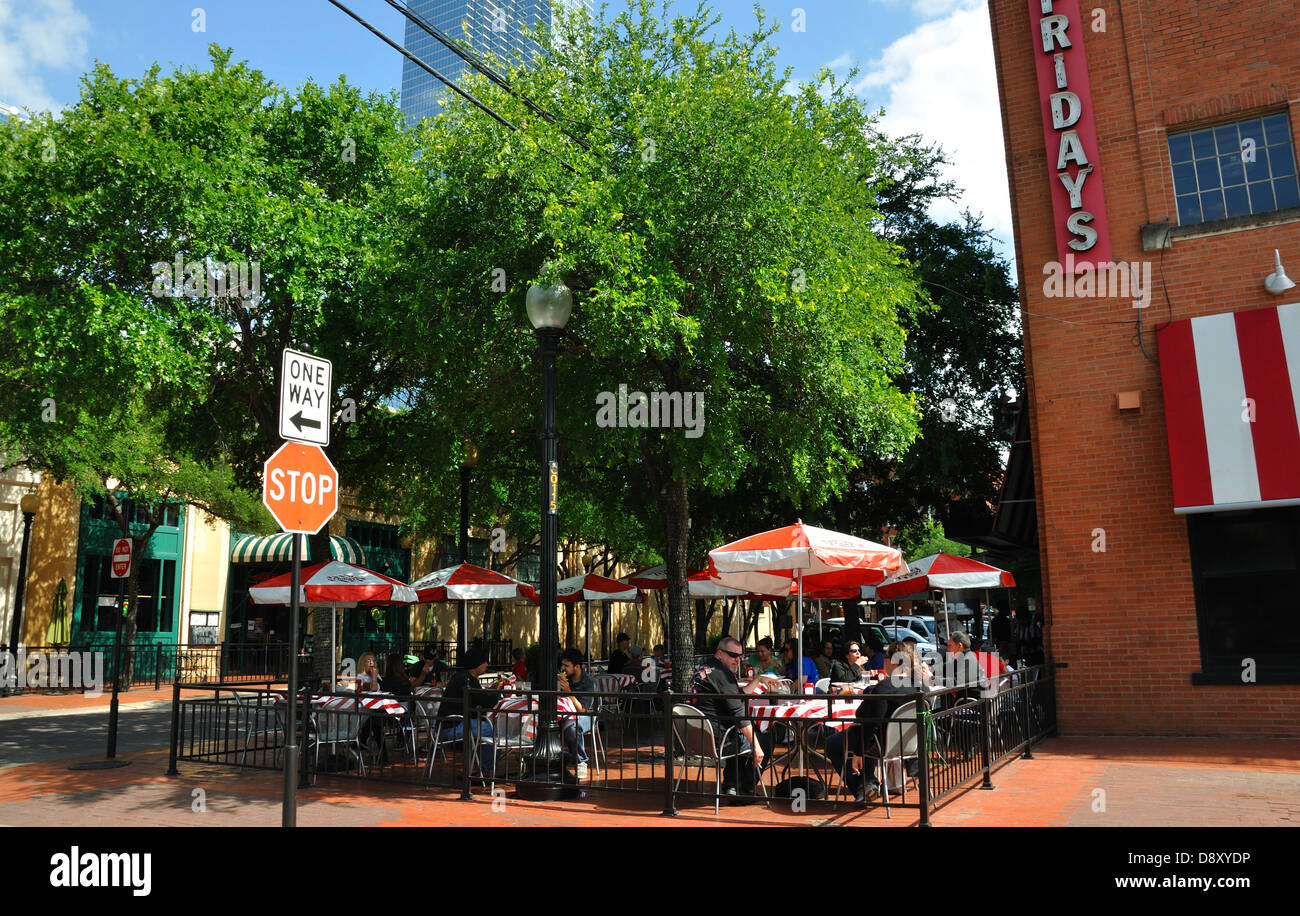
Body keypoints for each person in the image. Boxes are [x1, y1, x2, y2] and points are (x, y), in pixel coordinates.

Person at [825, 642, 920, 802]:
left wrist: (858, 752)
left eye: (886, 657)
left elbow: (866, 719)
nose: (884, 660)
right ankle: (868, 782)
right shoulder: (917, 686)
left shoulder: (884, 688)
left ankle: (865, 785)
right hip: (910, 744)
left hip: (881, 744)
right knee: (861, 735)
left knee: (833, 743)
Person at [691, 636, 773, 798]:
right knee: (765, 735)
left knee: (741, 732)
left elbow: (735, 697)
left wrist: (757, 679)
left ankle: (731, 785)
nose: (738, 660)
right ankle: (745, 790)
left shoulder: (707, 667)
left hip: (697, 735)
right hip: (718, 738)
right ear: (720, 653)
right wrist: (756, 745)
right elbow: (738, 714)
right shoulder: (722, 674)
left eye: (740, 656)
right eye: (733, 655)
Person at [436, 648, 506, 780]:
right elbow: (485, 702)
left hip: (447, 725)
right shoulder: (466, 679)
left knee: (486, 728)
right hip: (451, 727)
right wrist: (497, 692)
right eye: (484, 662)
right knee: (493, 730)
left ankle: (481, 767)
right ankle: (485, 770)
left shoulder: (461, 676)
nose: (486, 664)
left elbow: (478, 700)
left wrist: (490, 692)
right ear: (476, 664)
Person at [556, 648, 598, 780]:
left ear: (577, 666)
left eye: (566, 666)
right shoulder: (564, 679)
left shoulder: (589, 682)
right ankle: (553, 761)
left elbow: (583, 710)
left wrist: (569, 692)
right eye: (562, 665)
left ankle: (581, 762)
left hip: (587, 715)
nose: (563, 668)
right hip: (564, 713)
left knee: (573, 729)